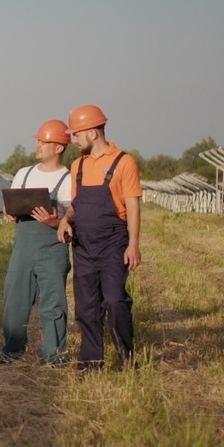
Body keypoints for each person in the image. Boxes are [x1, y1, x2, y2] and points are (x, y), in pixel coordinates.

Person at [55, 105, 142, 372]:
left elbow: (134, 207)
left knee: (114, 300)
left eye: (77, 134)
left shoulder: (124, 162)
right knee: (86, 308)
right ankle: (91, 363)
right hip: (83, 245)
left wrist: (133, 244)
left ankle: (127, 358)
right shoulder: (77, 164)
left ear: (92, 133)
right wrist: (64, 220)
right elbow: (77, 203)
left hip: (113, 242)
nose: (73, 140)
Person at [0, 120, 72, 365]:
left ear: (59, 147)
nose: (38, 145)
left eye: (44, 141)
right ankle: (12, 350)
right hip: (23, 246)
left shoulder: (69, 179)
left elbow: (72, 219)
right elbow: (10, 204)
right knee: (14, 301)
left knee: (53, 305)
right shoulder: (24, 173)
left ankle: (53, 357)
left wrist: (54, 222)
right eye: (38, 141)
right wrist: (8, 211)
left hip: (53, 248)